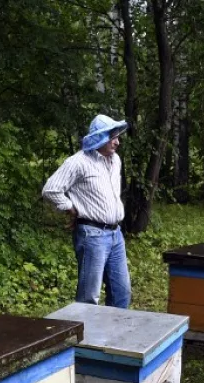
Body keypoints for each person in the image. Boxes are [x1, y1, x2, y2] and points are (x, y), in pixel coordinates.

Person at [42, 114, 131, 308]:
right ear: (99, 137)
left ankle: (115, 336)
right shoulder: (78, 162)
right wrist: (70, 208)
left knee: (122, 292)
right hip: (92, 235)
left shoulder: (115, 161)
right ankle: (87, 338)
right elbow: (51, 189)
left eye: (118, 136)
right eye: (113, 137)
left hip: (116, 234)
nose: (117, 142)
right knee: (89, 297)